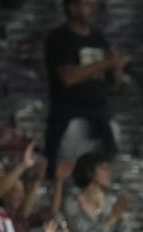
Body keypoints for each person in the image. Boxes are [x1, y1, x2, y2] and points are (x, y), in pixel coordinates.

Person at [43, 0, 128, 168]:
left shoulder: (98, 37)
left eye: (94, 5)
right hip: (69, 111)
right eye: (87, 5)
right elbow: (67, 77)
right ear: (72, 7)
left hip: (99, 111)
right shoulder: (60, 38)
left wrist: (116, 67)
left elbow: (114, 82)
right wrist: (106, 63)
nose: (93, 9)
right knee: (60, 163)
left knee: (106, 160)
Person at [59, 151, 131, 232]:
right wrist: (112, 218)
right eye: (104, 168)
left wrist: (121, 220)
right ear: (89, 172)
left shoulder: (112, 202)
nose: (109, 172)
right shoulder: (73, 204)